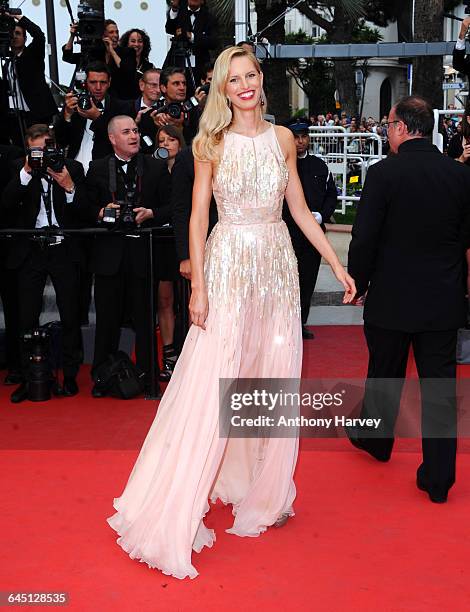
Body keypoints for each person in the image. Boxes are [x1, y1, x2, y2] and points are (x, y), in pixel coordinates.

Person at [107, 46, 355, 579]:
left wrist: (336, 262)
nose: (244, 85)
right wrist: (196, 284)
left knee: (270, 376)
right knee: (212, 378)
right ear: (222, 87)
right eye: (233, 78)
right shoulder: (210, 143)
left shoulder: (284, 138)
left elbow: (298, 212)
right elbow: (197, 216)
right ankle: (176, 498)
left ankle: (262, 488)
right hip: (228, 265)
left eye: (251, 75)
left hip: (276, 268)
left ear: (261, 79)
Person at [347, 96, 470, 504]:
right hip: (442, 298)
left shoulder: (384, 174)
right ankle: (438, 480)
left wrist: (358, 281)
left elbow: (364, 237)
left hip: (392, 297)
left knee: (385, 371)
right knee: (439, 388)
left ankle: (377, 441)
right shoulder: (459, 175)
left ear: (400, 127)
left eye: (388, 124)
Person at [77, 115, 171, 397]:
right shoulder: (96, 168)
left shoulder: (155, 167)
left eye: (135, 130)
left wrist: (152, 213)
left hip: (144, 253)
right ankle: (102, 377)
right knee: (106, 321)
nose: (133, 135)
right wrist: (101, 211)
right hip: (109, 256)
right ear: (112, 138)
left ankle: (147, 375)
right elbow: (83, 207)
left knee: (144, 320)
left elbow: (173, 206)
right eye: (126, 131)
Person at [1, 124, 85, 402]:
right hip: (30, 250)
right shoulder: (18, 168)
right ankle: (29, 377)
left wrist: (68, 185)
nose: (42, 156)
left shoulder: (71, 166)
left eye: (45, 149)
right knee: (26, 316)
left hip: (64, 249)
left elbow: (86, 210)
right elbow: (5, 206)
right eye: (35, 150)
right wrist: (26, 172)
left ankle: (70, 375)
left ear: (55, 147)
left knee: (71, 313)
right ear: (28, 149)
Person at [283, 118, 338, 339]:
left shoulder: (319, 165)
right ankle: (285, 324)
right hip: (287, 232)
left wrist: (321, 215)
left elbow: (331, 193)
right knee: (287, 280)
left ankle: (300, 322)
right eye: (295, 137)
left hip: (313, 234)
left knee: (308, 279)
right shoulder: (281, 164)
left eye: (304, 136)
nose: (300, 141)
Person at [154, 126, 185, 381]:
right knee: (165, 300)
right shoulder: (154, 171)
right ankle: (169, 353)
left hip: (187, 241)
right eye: (161, 140)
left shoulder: (194, 166)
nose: (166, 144)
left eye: (171, 139)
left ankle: (190, 351)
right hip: (163, 243)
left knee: (189, 300)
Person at [0, 14, 57, 147]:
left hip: (35, 114)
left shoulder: (32, 54)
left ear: (25, 38)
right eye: (12, 33)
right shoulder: (6, 62)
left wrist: (18, 17)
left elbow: (39, 35)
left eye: (18, 33)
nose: (14, 36)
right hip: (15, 116)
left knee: (40, 147)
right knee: (19, 150)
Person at [164, 0, 218, 89]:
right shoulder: (179, 12)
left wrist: (192, 36)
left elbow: (213, 42)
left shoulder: (209, 17)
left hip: (200, 63)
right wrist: (174, 9)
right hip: (178, 59)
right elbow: (169, 29)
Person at [119, 29, 154, 99]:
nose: (136, 44)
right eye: (133, 41)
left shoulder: (150, 67)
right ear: (127, 43)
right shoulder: (118, 63)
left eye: (140, 41)